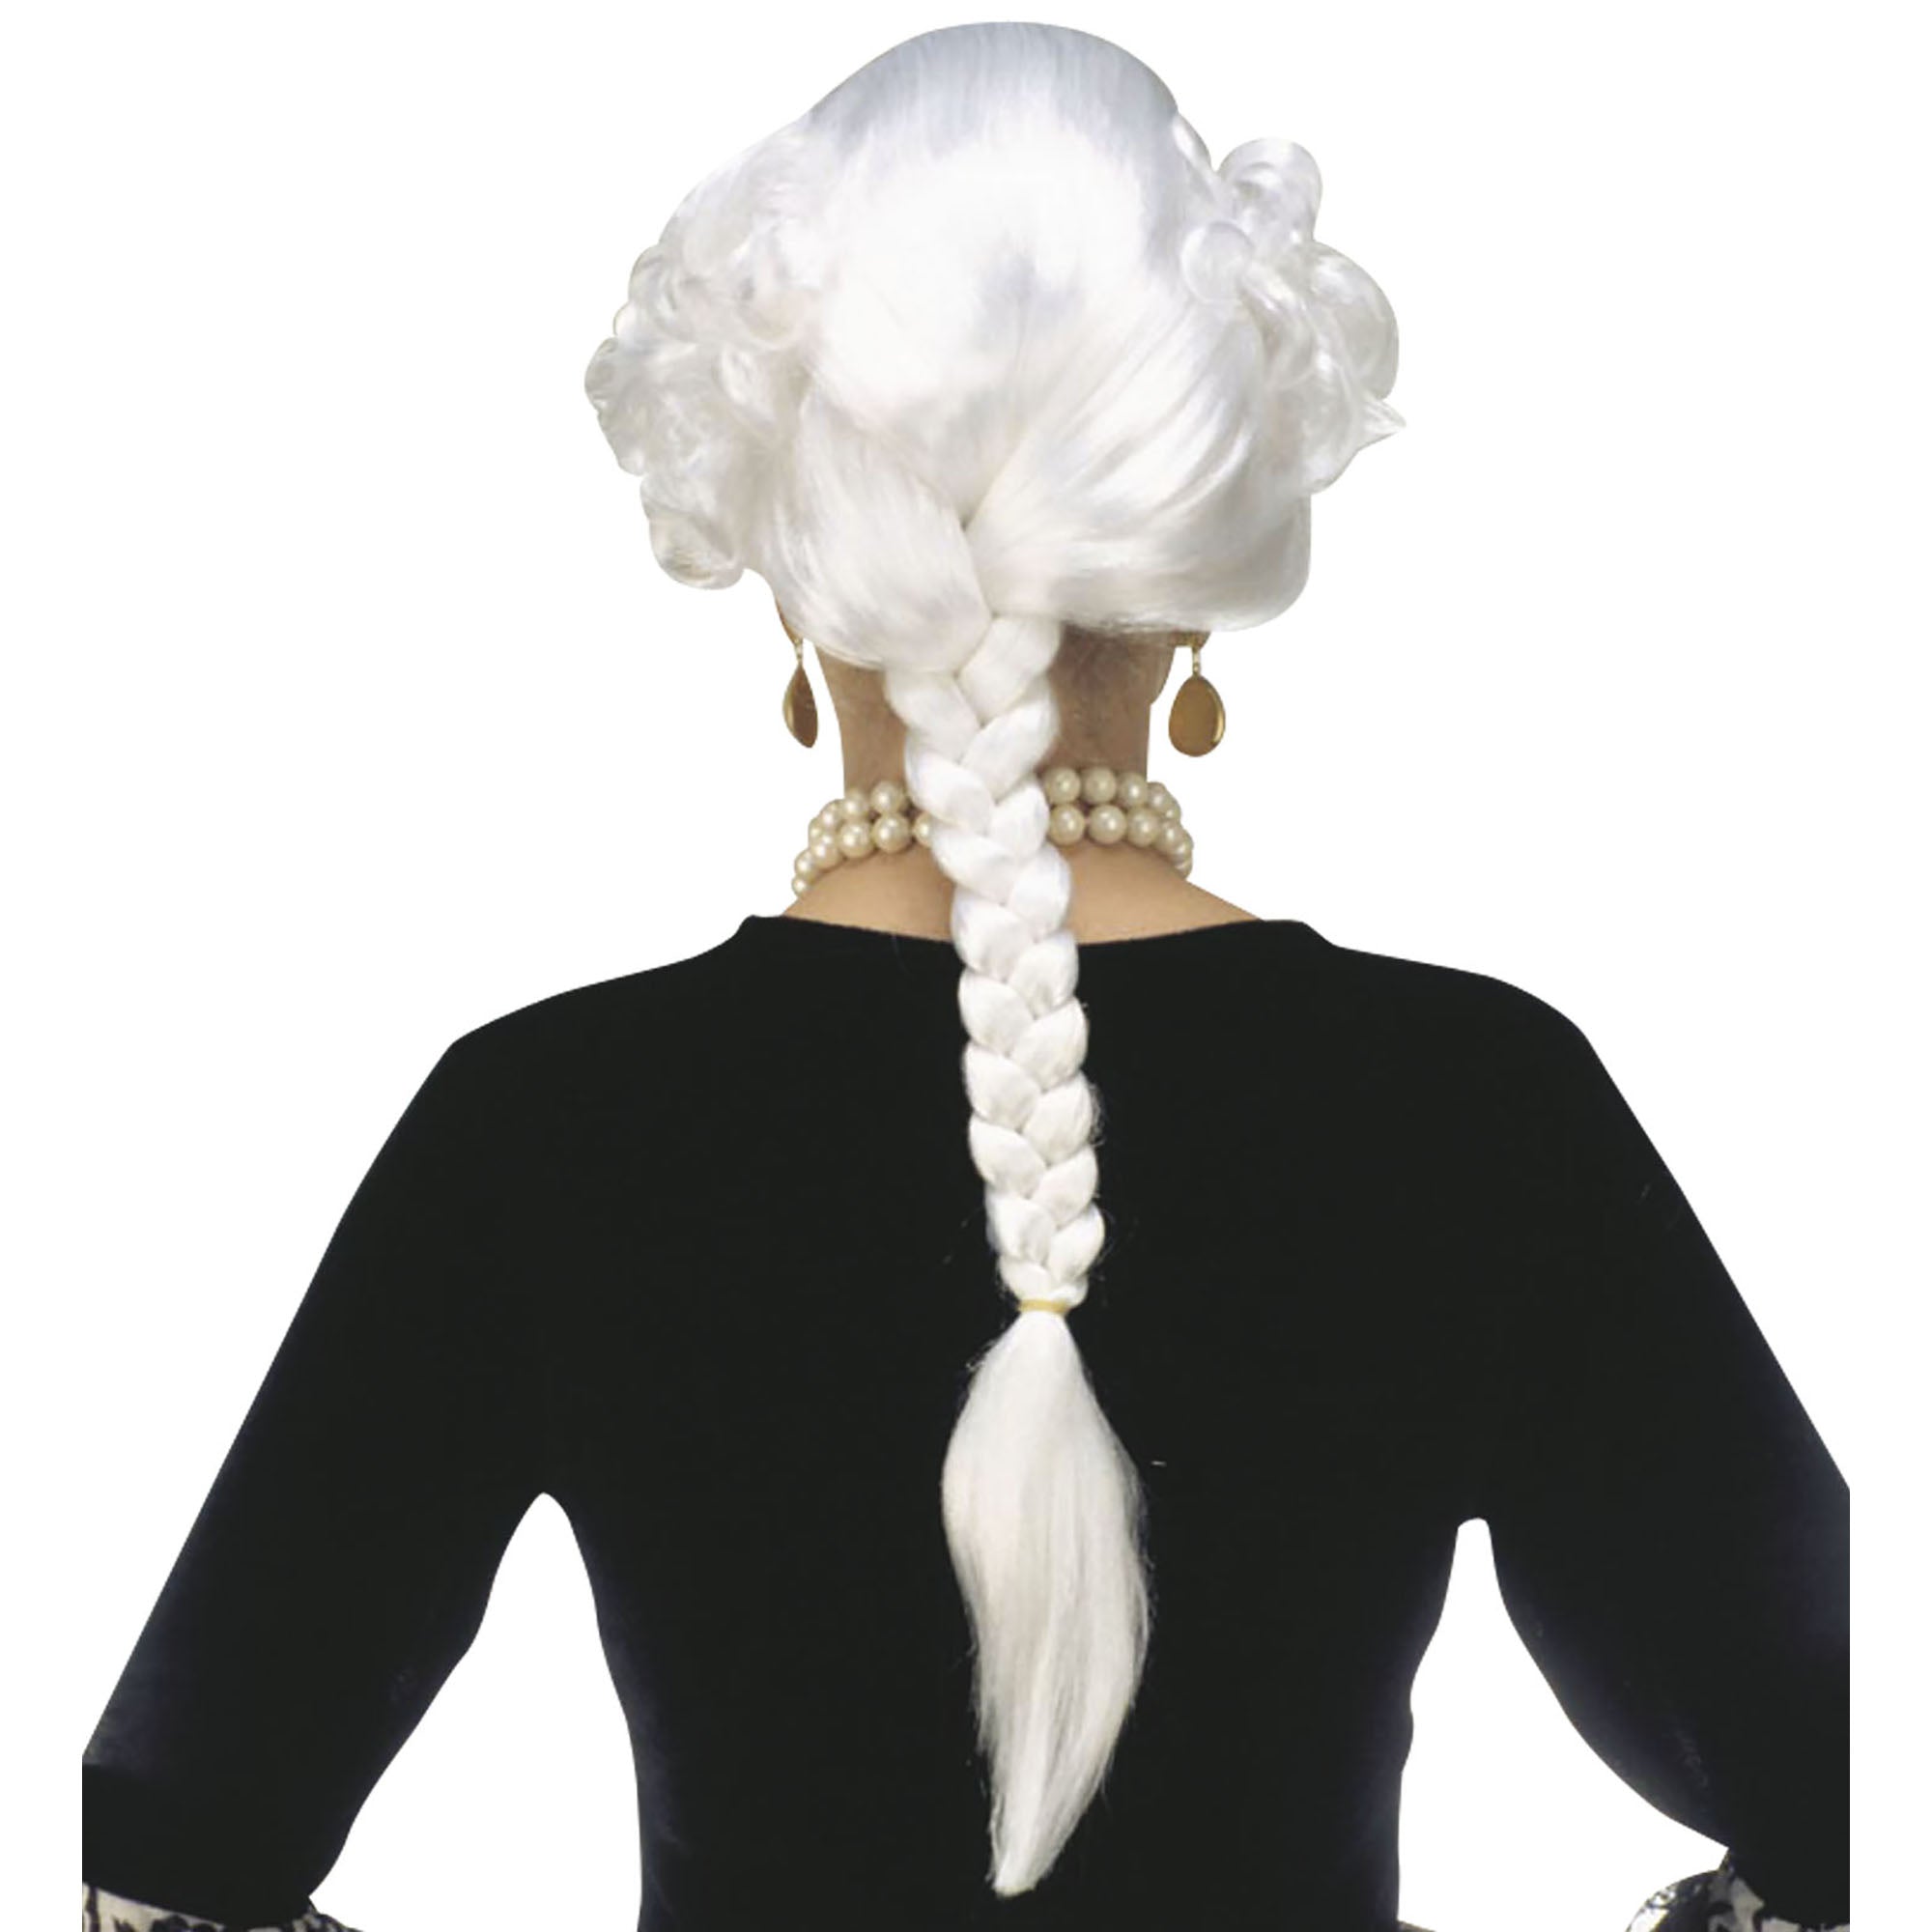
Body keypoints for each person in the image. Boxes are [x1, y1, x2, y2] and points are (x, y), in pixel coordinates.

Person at [79, 22, 1849, 1932]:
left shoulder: (546, 1122)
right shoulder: (1474, 1105)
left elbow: (166, 1840)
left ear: (794, 580)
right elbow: (1847, 1774)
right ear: (1190, 583)